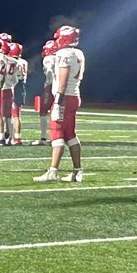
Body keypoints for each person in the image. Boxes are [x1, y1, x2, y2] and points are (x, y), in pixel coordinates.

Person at [34, 25, 86, 183]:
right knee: (70, 134)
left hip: (64, 97)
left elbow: (63, 79)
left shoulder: (64, 54)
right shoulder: (79, 52)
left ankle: (53, 171)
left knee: (57, 133)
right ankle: (77, 171)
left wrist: (57, 101)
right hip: (75, 95)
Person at [30, 40, 56, 146]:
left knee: (43, 111)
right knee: (57, 111)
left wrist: (49, 83)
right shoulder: (60, 56)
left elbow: (49, 71)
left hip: (51, 86)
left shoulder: (49, 58)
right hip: (61, 87)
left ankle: (43, 137)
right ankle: (58, 136)